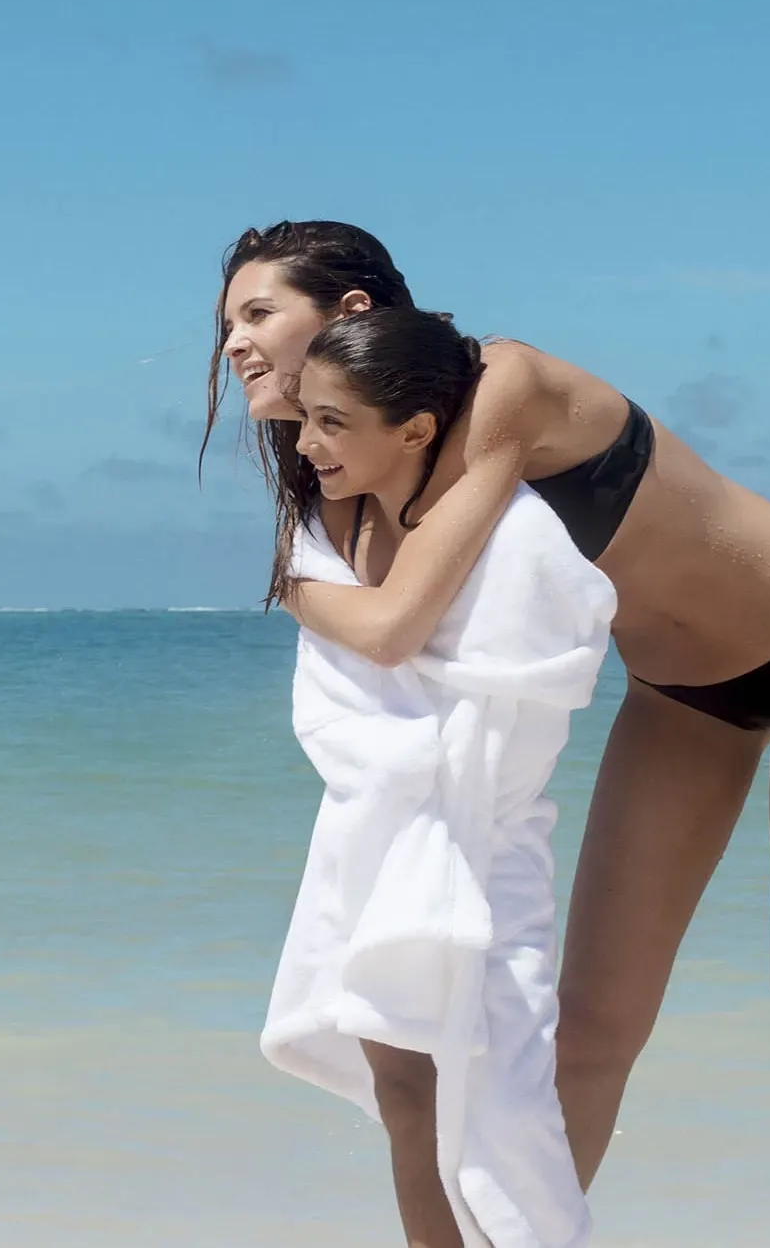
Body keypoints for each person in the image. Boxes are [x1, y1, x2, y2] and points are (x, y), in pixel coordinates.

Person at [210, 221, 770, 1248]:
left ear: (351, 313)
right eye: (227, 322)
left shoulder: (506, 388)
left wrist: (294, 591)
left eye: (258, 312)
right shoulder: (348, 468)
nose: (233, 344)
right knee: (587, 1034)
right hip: (677, 693)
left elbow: (399, 623)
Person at [259, 306, 614, 1248]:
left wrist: (291, 589)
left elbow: (494, 670)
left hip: (481, 850)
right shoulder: (342, 529)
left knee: (502, 1115)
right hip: (383, 846)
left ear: (416, 429)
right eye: (308, 418)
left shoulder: (516, 534)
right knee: (405, 1092)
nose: (309, 443)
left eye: (334, 423)